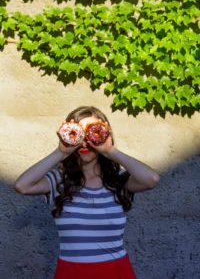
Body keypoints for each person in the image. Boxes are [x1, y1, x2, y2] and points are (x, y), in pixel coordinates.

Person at [15, 106, 160, 279]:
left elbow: (152, 179)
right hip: (71, 273)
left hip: (116, 272)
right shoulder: (58, 180)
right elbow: (22, 186)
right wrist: (61, 151)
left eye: (93, 132)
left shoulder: (119, 180)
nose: (85, 142)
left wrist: (109, 150)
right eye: (78, 134)